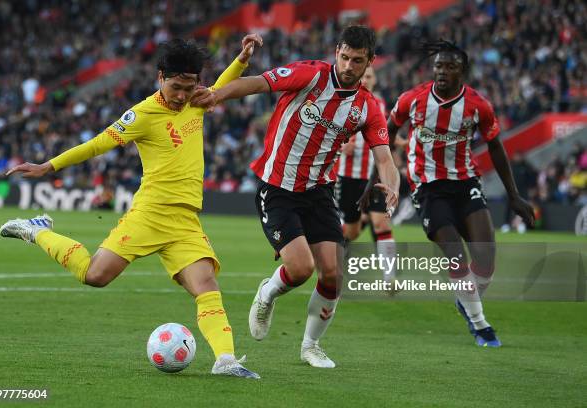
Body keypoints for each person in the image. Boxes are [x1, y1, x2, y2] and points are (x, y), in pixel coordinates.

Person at [0, 35, 263, 378]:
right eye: (177, 87)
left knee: (206, 285)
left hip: (185, 220)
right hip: (150, 214)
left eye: (190, 86)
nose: (183, 95)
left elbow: (222, 86)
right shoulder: (140, 114)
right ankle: (36, 231)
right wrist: (48, 167)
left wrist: (241, 59)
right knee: (95, 275)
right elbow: (97, 145)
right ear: (160, 78)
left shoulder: (197, 101)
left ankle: (226, 361)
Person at [193, 25, 400, 368]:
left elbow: (384, 158)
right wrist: (217, 95)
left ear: (370, 61)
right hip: (277, 187)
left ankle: (310, 345)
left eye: (357, 60)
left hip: (318, 191)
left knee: (333, 272)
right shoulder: (310, 75)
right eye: (344, 57)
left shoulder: (367, 107)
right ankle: (267, 294)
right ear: (336, 52)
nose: (348, 66)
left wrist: (391, 184)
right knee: (301, 268)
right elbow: (257, 83)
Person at [371, 40, 534, 347]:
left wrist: (514, 195)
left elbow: (496, 146)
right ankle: (480, 325)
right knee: (456, 256)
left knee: (486, 258)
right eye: (438, 66)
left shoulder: (478, 106)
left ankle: (466, 299)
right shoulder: (413, 99)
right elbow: (388, 130)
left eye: (450, 67)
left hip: (465, 182)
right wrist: (379, 172)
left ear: (463, 71)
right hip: (428, 186)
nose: (442, 72)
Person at [335, 66, 407, 287]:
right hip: (347, 177)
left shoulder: (380, 105)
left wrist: (402, 143)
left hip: (373, 176)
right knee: (352, 231)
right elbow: (325, 133)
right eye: (363, 75)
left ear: (375, 80)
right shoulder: (341, 101)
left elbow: (385, 137)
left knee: (381, 223)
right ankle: (331, 258)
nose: (365, 79)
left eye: (369, 76)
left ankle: (389, 278)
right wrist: (340, 146)